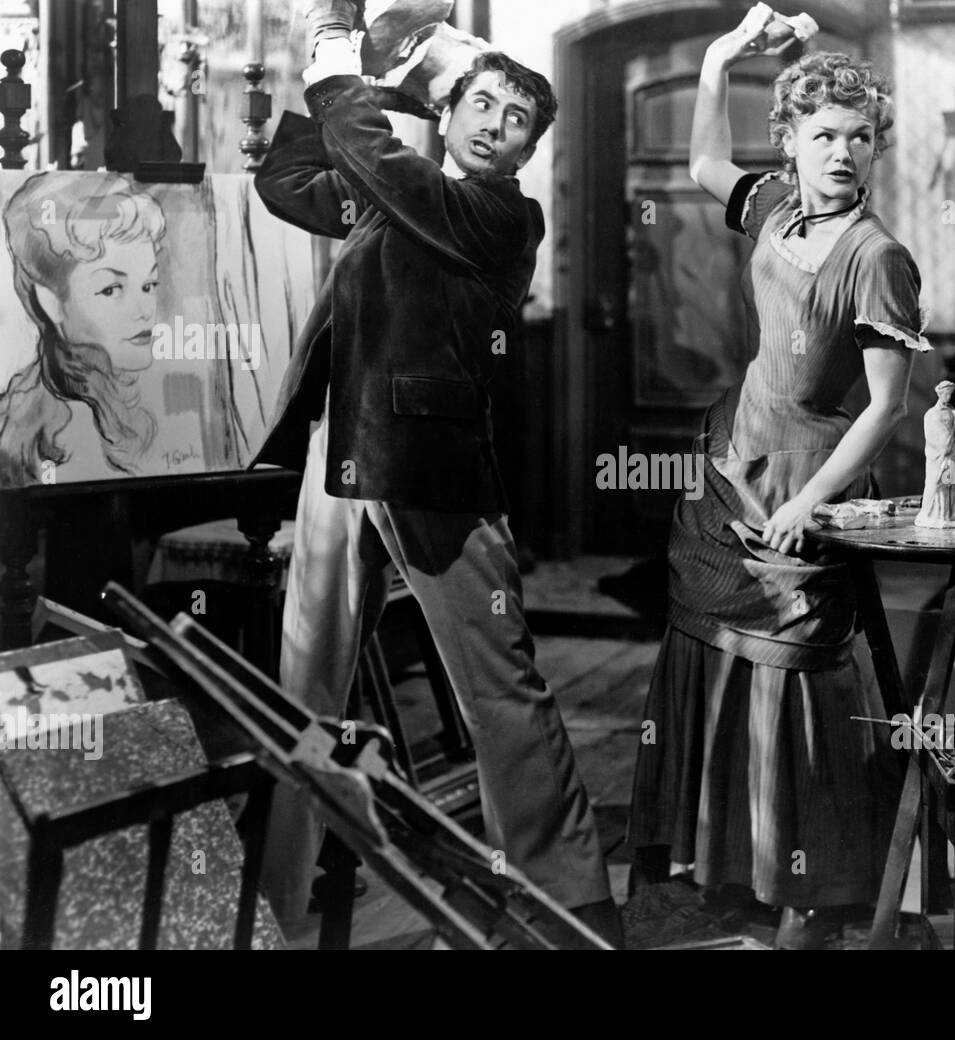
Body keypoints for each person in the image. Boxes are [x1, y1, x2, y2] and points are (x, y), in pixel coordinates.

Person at [250, 36, 619, 942]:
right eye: (481, 106)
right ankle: (273, 896)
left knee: (497, 688)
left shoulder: (498, 216)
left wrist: (339, 76)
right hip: (341, 453)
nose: (497, 126)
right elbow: (286, 181)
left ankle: (567, 902)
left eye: (517, 119)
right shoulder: (400, 199)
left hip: (430, 470)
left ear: (530, 152)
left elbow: (389, 174)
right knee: (307, 681)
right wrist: (382, 93)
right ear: (449, 117)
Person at [627, 6, 929, 949]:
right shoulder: (775, 207)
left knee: (793, 680)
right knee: (709, 657)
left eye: (861, 138)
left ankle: (810, 897)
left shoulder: (878, 258)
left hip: (809, 484)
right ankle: (727, 876)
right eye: (825, 136)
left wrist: (811, 502)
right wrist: (719, 58)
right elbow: (702, 166)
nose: (845, 154)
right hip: (730, 471)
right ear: (790, 143)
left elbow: (885, 409)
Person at [0, 173, 165, 487]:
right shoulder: (67, 429)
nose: (144, 310)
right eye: (112, 289)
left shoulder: (120, 399)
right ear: (51, 303)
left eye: (149, 285)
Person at [916, 380, 955, 528]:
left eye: (950, 394)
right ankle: (938, 515)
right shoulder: (931, 414)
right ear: (940, 394)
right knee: (938, 485)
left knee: (951, 484)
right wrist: (951, 435)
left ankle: (951, 514)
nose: (948, 397)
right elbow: (937, 437)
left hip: (952, 455)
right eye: (946, 394)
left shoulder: (950, 411)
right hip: (941, 457)